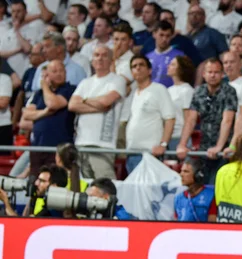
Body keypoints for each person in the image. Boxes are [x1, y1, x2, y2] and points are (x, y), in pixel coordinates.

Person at [68, 45, 126, 180]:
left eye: (104, 55)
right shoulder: (85, 82)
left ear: (111, 60)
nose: (100, 58)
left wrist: (84, 100)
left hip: (103, 144)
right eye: (96, 55)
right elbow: (72, 105)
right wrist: (97, 105)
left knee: (105, 185)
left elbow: (106, 101)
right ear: (92, 60)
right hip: (81, 142)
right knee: (84, 188)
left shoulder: (117, 80)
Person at [176, 58, 237, 184]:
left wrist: (219, 147)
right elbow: (191, 119)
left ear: (222, 74)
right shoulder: (199, 91)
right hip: (203, 148)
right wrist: (182, 144)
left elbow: (227, 120)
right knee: (197, 184)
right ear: (203, 74)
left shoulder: (229, 91)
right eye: (210, 72)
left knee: (217, 185)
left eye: (216, 72)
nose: (213, 75)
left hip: (224, 151)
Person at [23, 61, 77, 175]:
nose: (59, 74)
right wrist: (45, 112)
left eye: (61, 71)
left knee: (55, 183)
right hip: (37, 147)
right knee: (36, 183)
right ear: (47, 74)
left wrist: (44, 85)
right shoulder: (39, 94)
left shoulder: (70, 89)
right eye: (54, 71)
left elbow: (53, 103)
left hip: (58, 148)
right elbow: (27, 115)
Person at [125, 55, 176, 173]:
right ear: (131, 73)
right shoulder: (133, 94)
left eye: (141, 65)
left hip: (150, 153)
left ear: (149, 70)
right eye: (134, 66)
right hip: (132, 152)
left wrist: (163, 144)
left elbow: (170, 119)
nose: (137, 68)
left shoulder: (159, 89)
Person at [167, 56, 195, 150]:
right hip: (168, 136)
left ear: (180, 69)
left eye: (173, 64)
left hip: (179, 136)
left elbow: (188, 118)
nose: (168, 66)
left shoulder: (187, 90)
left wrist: (184, 141)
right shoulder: (168, 90)